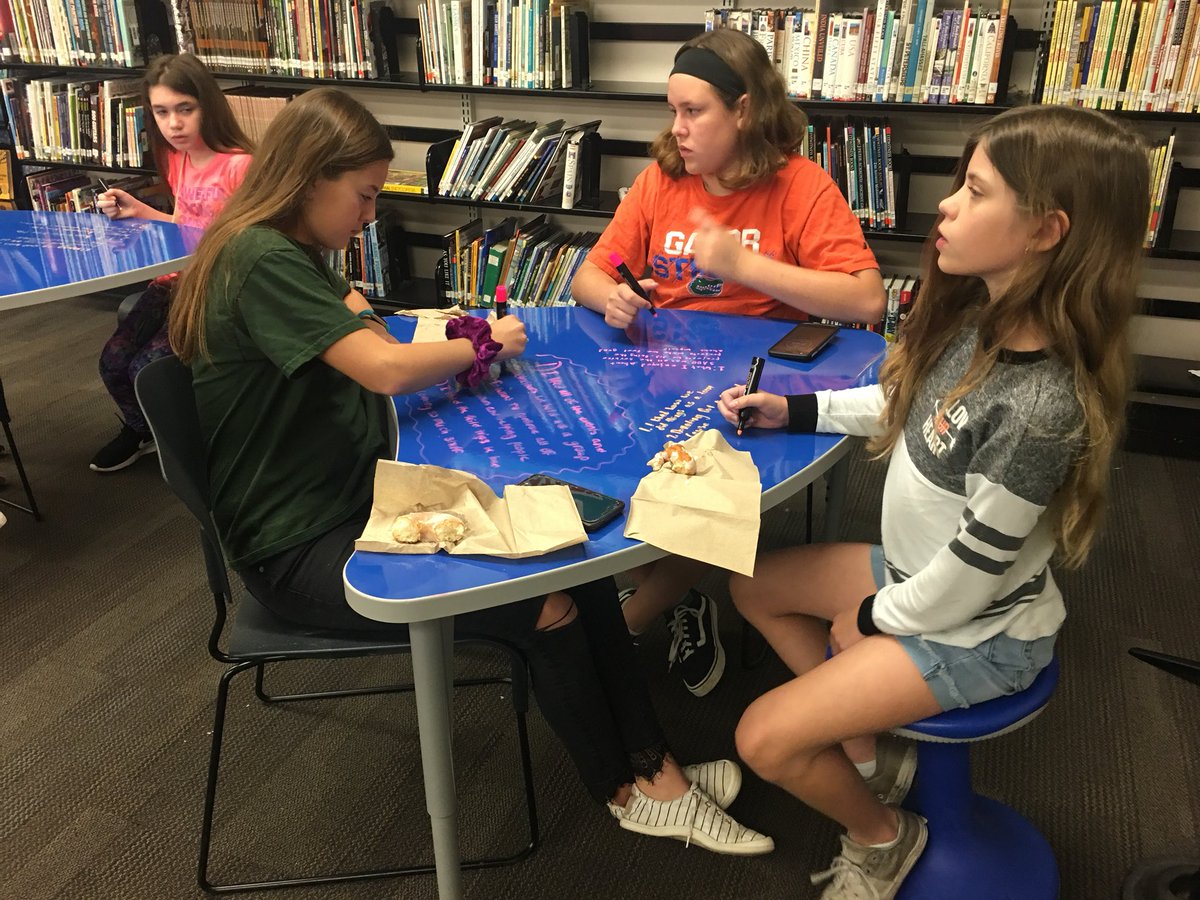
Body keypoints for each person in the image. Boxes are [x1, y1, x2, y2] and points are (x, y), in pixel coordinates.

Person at [168, 87, 774, 856]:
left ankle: (655, 764)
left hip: (354, 499)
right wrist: (481, 344)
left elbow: (362, 316)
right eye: (360, 196)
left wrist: (434, 337)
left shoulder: (287, 249)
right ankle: (626, 791)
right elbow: (386, 367)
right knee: (544, 601)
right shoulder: (260, 258)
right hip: (302, 545)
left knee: (569, 551)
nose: (366, 216)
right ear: (309, 178)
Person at [716, 105, 1150, 898]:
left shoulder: (1039, 411)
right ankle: (872, 757)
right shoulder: (979, 319)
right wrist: (797, 409)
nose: (946, 204)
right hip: (921, 577)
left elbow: (965, 585)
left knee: (763, 740)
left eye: (974, 191)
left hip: (976, 629)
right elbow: (902, 406)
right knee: (752, 585)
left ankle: (884, 837)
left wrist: (872, 620)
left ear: (1047, 230)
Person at [570, 28, 887, 697]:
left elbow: (866, 298)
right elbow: (589, 277)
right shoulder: (662, 178)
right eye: (673, 110)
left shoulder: (799, 184)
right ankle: (666, 598)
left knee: (710, 491)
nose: (678, 129)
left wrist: (748, 268)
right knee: (597, 460)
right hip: (658, 369)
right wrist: (617, 300)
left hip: (755, 382)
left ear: (744, 110)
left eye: (695, 112)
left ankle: (619, 630)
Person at [90, 53, 253, 473]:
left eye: (185, 109)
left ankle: (184, 448)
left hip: (211, 290)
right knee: (112, 361)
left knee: (149, 369)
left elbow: (249, 243)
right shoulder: (178, 159)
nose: (174, 124)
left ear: (208, 106)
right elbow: (185, 223)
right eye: (161, 112)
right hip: (170, 283)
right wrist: (139, 211)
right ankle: (143, 430)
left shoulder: (239, 165)